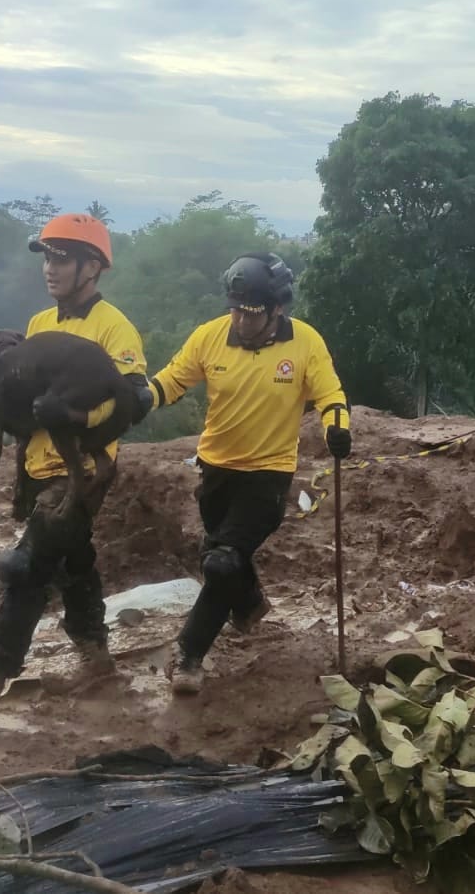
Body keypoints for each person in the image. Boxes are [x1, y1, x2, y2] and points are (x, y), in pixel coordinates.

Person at [0, 212, 154, 725]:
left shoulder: (115, 328)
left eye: (62, 258)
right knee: (72, 561)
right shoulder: (41, 326)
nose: (50, 268)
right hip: (40, 467)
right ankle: (97, 659)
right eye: (46, 257)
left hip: (81, 472)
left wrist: (80, 417)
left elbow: (131, 403)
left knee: (26, 570)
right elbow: (18, 397)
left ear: (93, 268)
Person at [144, 252, 352, 694]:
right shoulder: (211, 336)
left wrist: (338, 427)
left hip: (268, 476)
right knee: (218, 556)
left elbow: (330, 394)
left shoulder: (305, 343)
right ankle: (251, 603)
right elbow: (172, 381)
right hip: (215, 470)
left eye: (252, 312)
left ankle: (188, 656)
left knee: (221, 563)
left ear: (278, 308)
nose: (241, 319)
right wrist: (138, 400)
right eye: (235, 309)